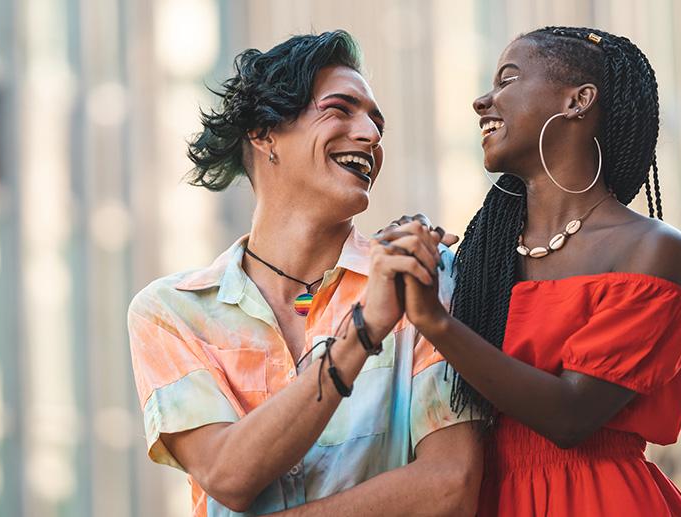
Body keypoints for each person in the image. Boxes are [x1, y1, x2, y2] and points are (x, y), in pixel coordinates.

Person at [127, 30, 482, 517]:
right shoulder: (172, 312)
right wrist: (363, 332)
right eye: (340, 109)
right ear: (264, 133)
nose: (372, 135)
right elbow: (229, 476)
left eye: (377, 122)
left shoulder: (421, 276)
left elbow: (451, 485)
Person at [386, 26, 681, 516]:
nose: (482, 102)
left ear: (578, 100)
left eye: (507, 80)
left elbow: (571, 416)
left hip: (599, 501)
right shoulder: (479, 260)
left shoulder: (651, 248)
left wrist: (436, 322)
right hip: (487, 496)